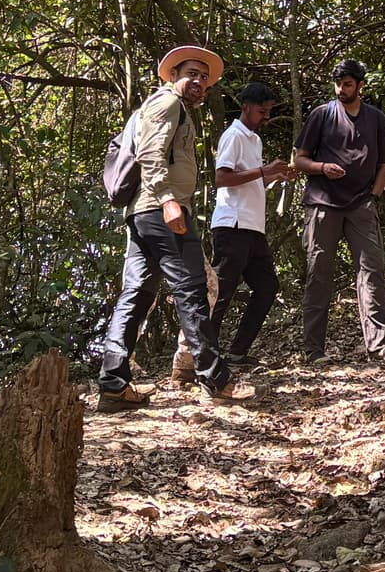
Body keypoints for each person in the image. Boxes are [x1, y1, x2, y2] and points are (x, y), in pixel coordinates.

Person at [97, 47, 253, 409]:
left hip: (144, 213)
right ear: (173, 76)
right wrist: (168, 200)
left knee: (137, 294)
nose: (198, 81)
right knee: (192, 289)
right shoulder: (167, 102)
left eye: (204, 78)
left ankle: (113, 385)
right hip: (159, 209)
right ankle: (216, 380)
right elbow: (150, 153)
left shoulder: (173, 106)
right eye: (191, 74)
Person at [293, 60, 385, 364]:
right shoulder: (321, 115)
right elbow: (300, 159)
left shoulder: (375, 118)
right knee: (318, 274)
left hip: (361, 204)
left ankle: (377, 345)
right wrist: (322, 167)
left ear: (360, 85)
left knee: (372, 270)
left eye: (348, 84)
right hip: (322, 203)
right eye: (338, 83)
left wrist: (374, 195)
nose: (341, 89)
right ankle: (313, 350)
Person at [208, 82, 293, 365]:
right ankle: (204, 356)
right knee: (221, 292)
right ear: (245, 107)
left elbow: (250, 180)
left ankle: (237, 352)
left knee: (267, 287)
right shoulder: (233, 136)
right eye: (261, 111)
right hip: (232, 225)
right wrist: (262, 170)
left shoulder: (254, 140)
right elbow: (222, 178)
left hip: (253, 228)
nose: (265, 117)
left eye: (269, 111)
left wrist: (273, 176)